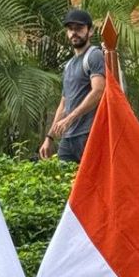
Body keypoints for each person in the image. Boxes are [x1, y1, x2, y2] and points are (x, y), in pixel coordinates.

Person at [39, 9, 106, 163]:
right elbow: (64, 103)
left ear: (90, 31)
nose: (74, 33)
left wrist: (70, 118)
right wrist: (49, 137)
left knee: (91, 178)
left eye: (79, 28)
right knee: (62, 176)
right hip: (68, 138)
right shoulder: (68, 65)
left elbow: (98, 91)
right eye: (70, 29)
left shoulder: (94, 55)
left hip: (89, 134)